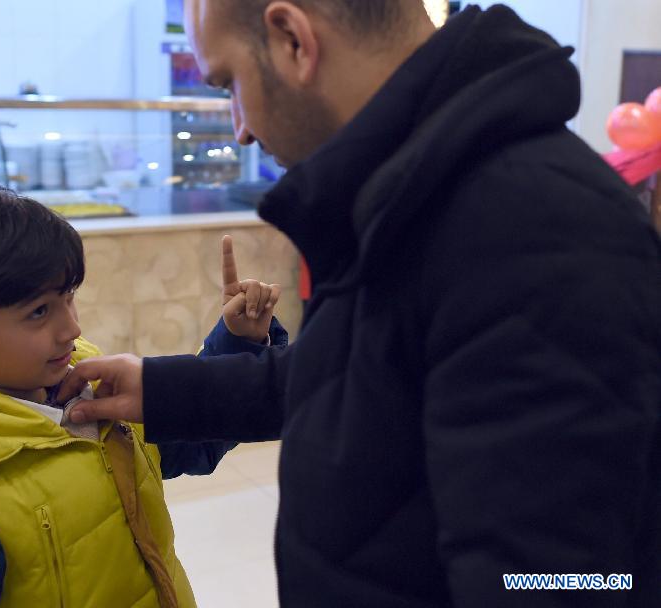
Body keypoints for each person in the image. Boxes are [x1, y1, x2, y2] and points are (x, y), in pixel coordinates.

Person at [58, 1, 661, 606]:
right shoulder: (415, 190)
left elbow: (554, 579)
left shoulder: (533, 232)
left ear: (293, 39)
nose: (238, 126)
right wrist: (169, 391)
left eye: (229, 84)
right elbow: (370, 376)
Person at [0, 182, 287, 608]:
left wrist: (239, 342)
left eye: (68, 298)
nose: (72, 329)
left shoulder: (87, 388)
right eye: (39, 312)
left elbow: (186, 447)